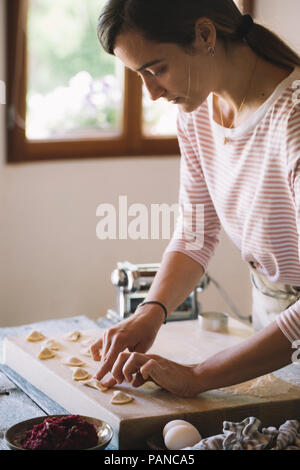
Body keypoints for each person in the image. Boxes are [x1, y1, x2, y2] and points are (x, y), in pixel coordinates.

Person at [91, 0, 300, 397]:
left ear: (205, 35)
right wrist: (151, 312)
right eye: (139, 75)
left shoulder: (294, 121)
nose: (150, 93)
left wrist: (201, 376)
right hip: (275, 324)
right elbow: (196, 235)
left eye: (156, 70)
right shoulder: (197, 114)